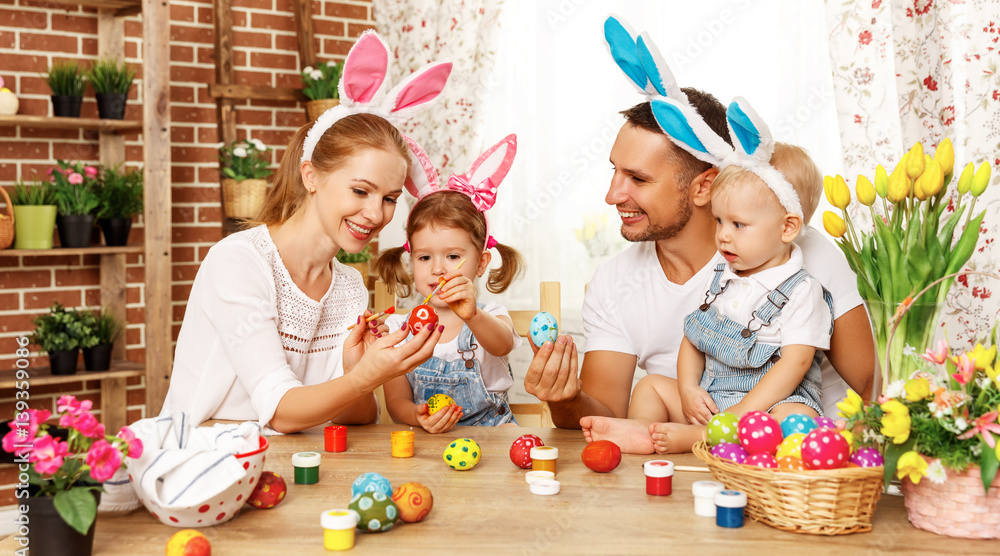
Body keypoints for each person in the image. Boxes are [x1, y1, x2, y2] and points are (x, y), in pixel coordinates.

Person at [523, 18, 874, 438]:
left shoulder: (800, 252)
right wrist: (564, 398)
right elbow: (604, 414)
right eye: (614, 172)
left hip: (790, 472)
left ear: (704, 186)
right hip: (688, 462)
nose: (612, 195)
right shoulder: (615, 283)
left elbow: (872, 390)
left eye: (637, 179)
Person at [162, 32, 453, 432]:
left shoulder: (348, 284)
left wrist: (359, 368)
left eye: (389, 198)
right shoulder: (239, 262)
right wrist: (365, 377)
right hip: (210, 467)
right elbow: (280, 411)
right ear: (311, 175)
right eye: (360, 190)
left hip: (297, 468)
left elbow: (360, 416)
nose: (375, 214)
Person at [583, 133, 834, 453]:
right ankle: (644, 430)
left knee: (796, 421)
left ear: (787, 228)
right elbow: (694, 336)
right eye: (719, 221)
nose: (723, 236)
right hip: (714, 398)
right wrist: (688, 389)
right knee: (651, 386)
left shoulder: (802, 290)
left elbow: (795, 365)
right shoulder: (725, 277)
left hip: (770, 404)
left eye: (738, 225)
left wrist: (738, 417)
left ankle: (697, 439)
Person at [374, 135, 525, 432]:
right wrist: (417, 416)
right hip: (429, 443)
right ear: (411, 260)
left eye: (453, 256)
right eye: (425, 257)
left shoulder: (491, 314)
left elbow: (502, 344)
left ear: (481, 263)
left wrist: (472, 315)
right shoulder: (396, 331)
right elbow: (396, 402)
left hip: (492, 437)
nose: (438, 269)